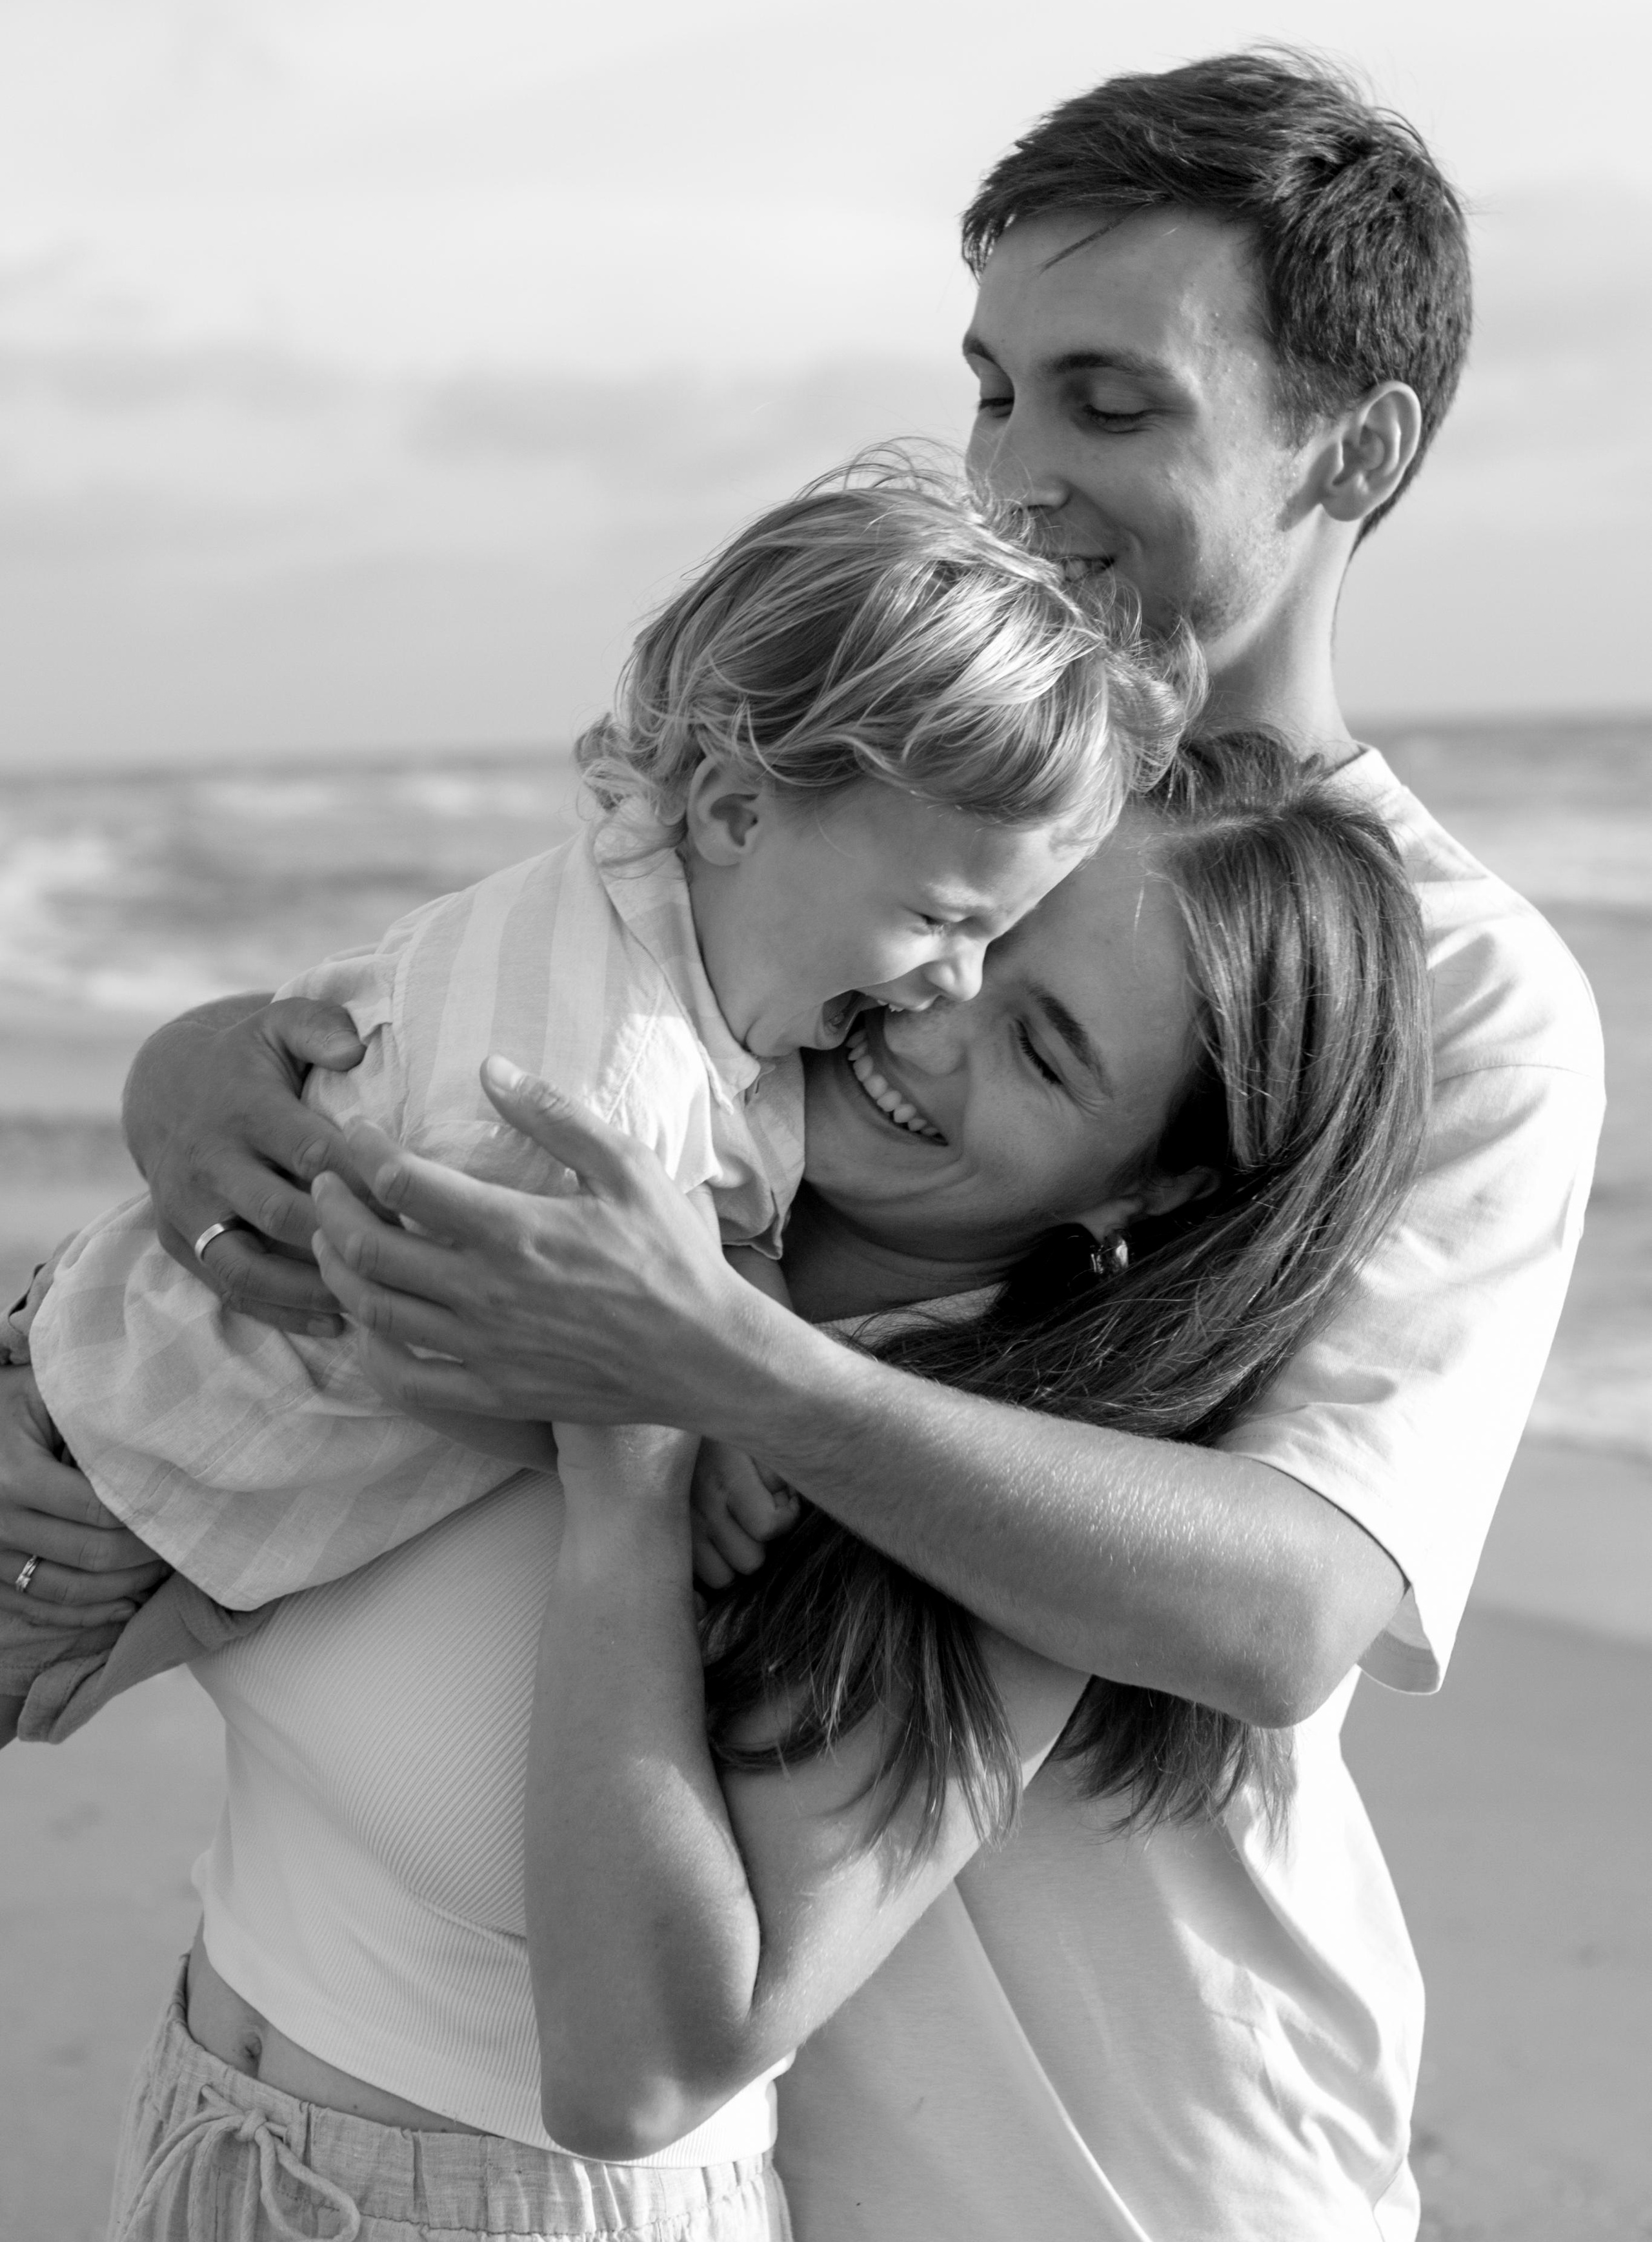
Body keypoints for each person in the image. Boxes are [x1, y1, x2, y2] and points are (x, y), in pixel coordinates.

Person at [0, 52, 1604, 2242]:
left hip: (1097, 2149)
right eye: (993, 391)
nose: (1023, 477)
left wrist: (722, 1386)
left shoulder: (1442, 982)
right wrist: (205, 1084)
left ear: (1355, 446)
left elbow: (1294, 1605)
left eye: (1111, 404)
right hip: (713, 2079)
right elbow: (544, 1020)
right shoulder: (947, 766)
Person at [20, 735, 1428, 2242]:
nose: (935, 1011)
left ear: (1143, 1196)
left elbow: (644, 2074)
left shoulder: (962, 1500)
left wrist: (629, 1476)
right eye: (964, 927)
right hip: (201, 2142)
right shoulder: (610, 1145)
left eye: (1044, 1051)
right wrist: (177, 1111)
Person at [2, 457, 1184, 1746]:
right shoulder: (579, 1079)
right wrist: (678, 1446)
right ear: (737, 807)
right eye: (940, 921)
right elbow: (415, 1336)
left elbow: (715, 1219)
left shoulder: (696, 939)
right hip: (89, 1477)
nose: (944, 989)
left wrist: (743, 1356)